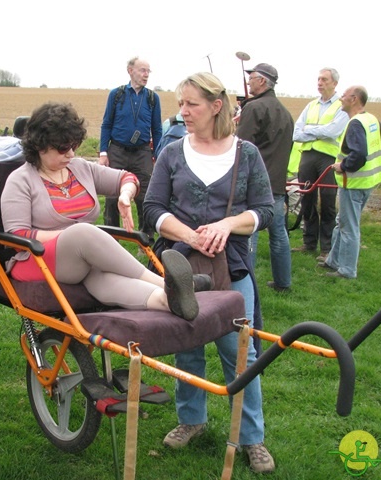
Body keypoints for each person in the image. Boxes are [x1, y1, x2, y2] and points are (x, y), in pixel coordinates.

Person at [143, 72, 276, 473]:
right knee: (187, 344)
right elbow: (152, 208)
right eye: (181, 103)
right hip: (181, 267)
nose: (182, 112)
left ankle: (251, 438)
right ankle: (191, 420)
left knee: (241, 353)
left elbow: (265, 211)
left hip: (231, 268)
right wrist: (190, 236)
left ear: (216, 106)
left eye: (191, 105)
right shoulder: (171, 151)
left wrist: (226, 225)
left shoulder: (247, 154)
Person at [1, 101, 204, 321]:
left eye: (74, 146)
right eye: (62, 148)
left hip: (83, 261)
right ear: (40, 146)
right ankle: (172, 283)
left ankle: (166, 300)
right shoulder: (20, 180)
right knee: (83, 233)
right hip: (36, 260)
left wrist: (125, 195)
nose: (70, 154)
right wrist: (71, 236)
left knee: (100, 279)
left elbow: (127, 178)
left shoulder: (79, 168)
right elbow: (16, 236)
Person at [319, 86, 381, 279]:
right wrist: (374, 157)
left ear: (354, 99)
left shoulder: (355, 123)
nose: (340, 99)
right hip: (367, 182)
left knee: (349, 227)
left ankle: (346, 270)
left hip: (353, 183)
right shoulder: (370, 119)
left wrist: (343, 165)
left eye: (343, 96)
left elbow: (359, 155)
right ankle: (333, 261)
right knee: (342, 221)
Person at [236, 63, 294, 293]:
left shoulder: (255, 108)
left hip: (256, 183)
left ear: (262, 81)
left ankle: (245, 284)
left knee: (250, 234)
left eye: (251, 78)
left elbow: (241, 148)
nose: (248, 81)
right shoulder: (286, 113)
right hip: (277, 182)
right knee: (278, 233)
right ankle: (283, 282)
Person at [99, 57, 162, 241]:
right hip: (117, 151)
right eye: (142, 70)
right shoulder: (116, 95)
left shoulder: (152, 98)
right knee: (112, 197)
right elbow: (106, 124)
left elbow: (157, 129)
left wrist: (157, 155)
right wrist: (104, 152)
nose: (146, 74)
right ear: (130, 70)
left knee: (145, 196)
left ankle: (146, 237)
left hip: (142, 153)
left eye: (148, 71)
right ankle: (111, 237)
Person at [291, 68, 349, 261]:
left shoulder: (342, 106)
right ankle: (309, 242)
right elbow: (296, 132)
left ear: (334, 83)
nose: (320, 82)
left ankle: (326, 247)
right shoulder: (311, 105)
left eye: (324, 79)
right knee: (307, 199)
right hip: (307, 156)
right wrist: (318, 130)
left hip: (328, 158)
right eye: (318, 79)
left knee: (328, 201)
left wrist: (310, 129)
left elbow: (333, 131)